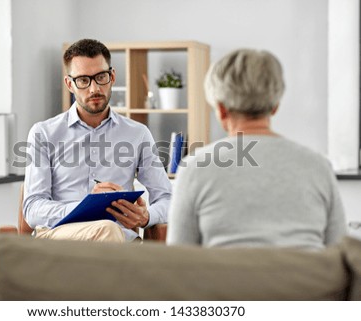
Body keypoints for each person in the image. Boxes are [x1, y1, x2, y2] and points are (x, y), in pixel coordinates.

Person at [166, 48, 346, 250]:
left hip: (227, 282)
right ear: (275, 105)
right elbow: (340, 255)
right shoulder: (318, 166)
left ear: (222, 109)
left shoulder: (194, 167)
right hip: (305, 281)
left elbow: (179, 262)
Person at [23, 39, 172, 243]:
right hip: (60, 239)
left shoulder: (138, 134)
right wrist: (86, 205)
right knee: (107, 229)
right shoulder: (43, 133)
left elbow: (167, 198)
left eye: (101, 77)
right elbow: (32, 209)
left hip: (120, 241)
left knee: (110, 231)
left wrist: (146, 216)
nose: (94, 89)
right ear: (70, 84)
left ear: (112, 76)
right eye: (83, 80)